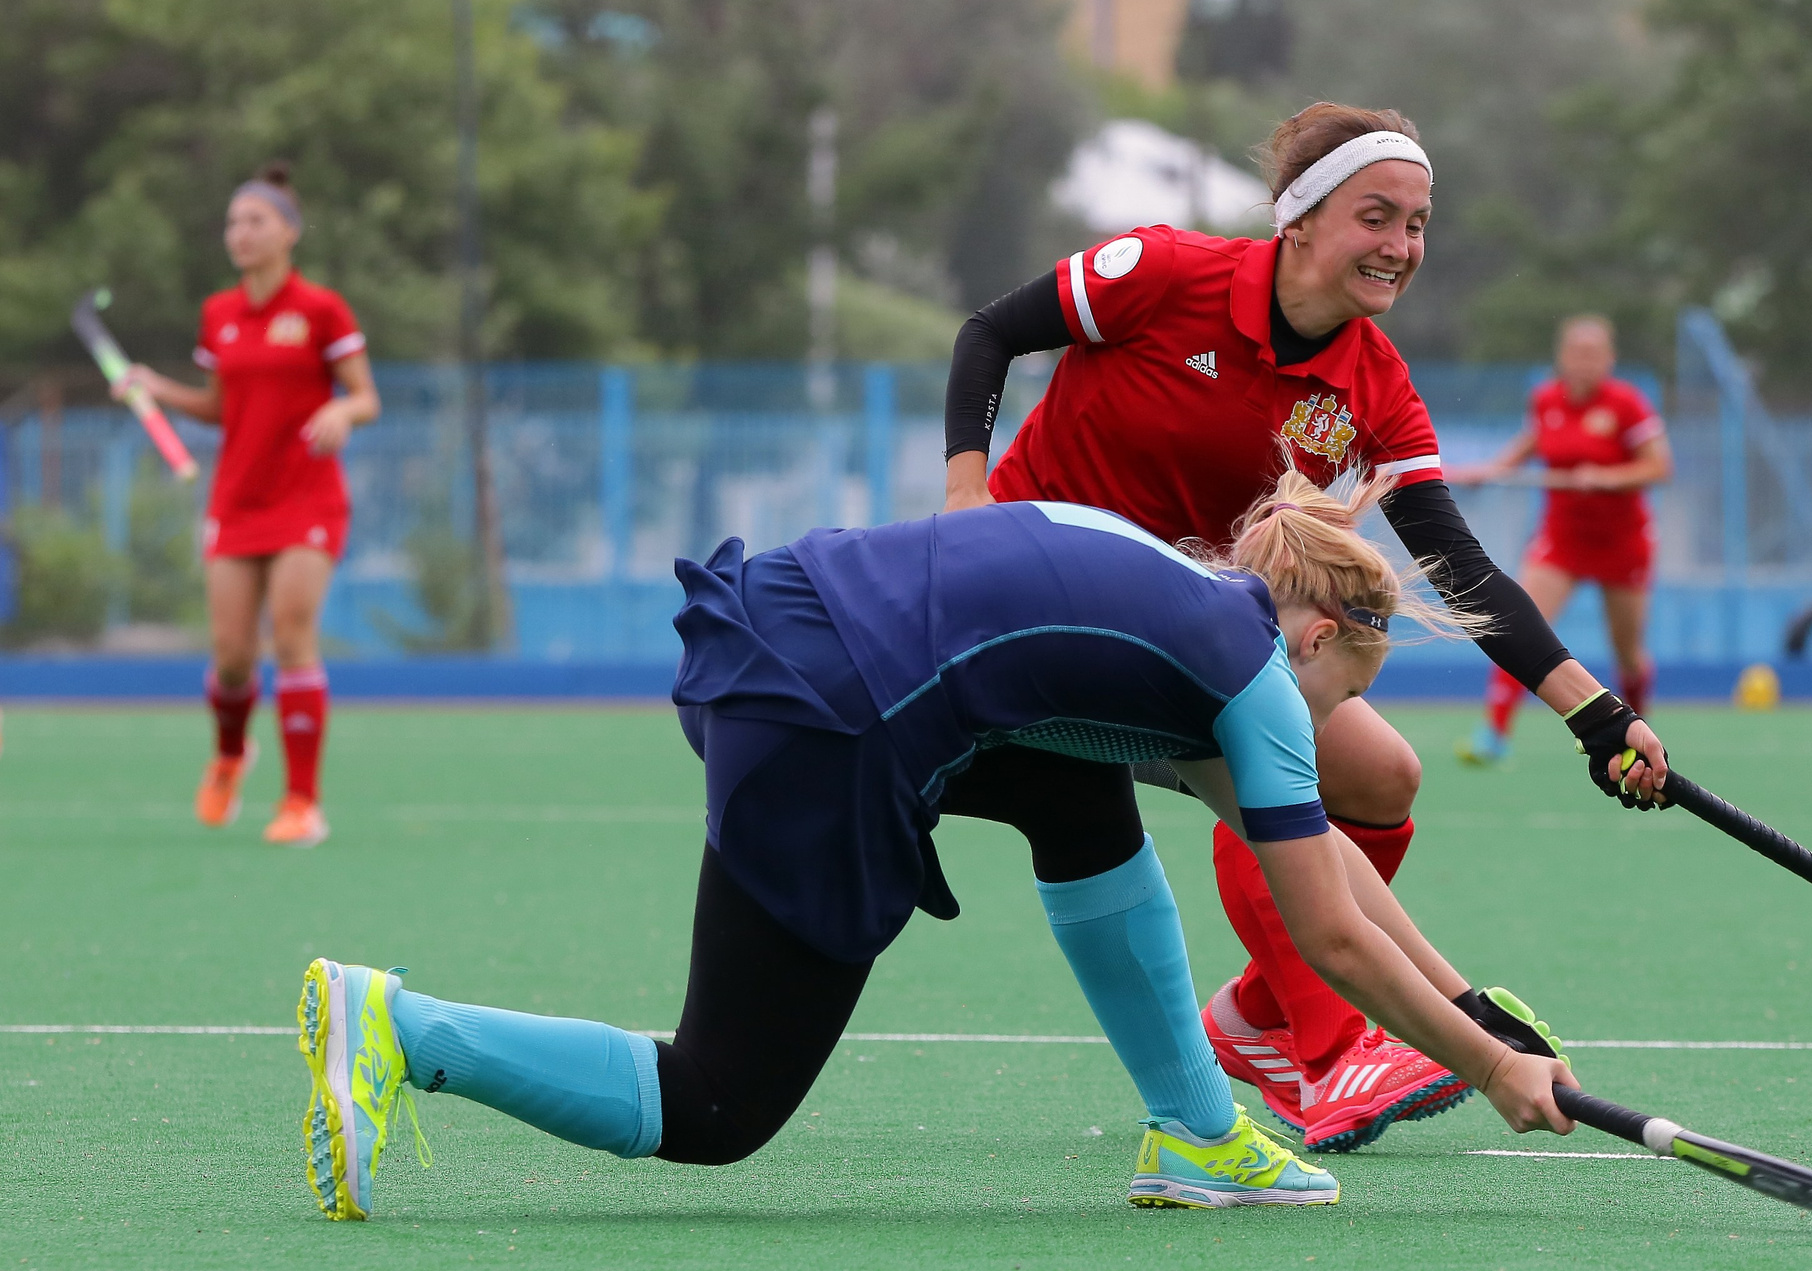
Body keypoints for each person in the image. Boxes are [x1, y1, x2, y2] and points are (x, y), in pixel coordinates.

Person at [296, 477, 1581, 1222]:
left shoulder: (1169, 585)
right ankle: (406, 1031)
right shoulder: (1251, 677)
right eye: (1341, 693)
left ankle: (1195, 1132)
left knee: (1076, 800)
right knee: (717, 1103)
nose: (1321, 725)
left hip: (790, 622)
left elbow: (1310, 859)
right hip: (839, 714)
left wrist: (1475, 1013)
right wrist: (1486, 1067)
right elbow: (1329, 932)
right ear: (1314, 638)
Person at [940, 102, 1668, 1154]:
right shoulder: (1162, 273)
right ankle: (1330, 1054)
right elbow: (990, 334)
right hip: (1042, 603)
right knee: (1263, 746)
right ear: (1299, 220)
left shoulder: (1375, 385)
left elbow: (1458, 567)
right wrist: (967, 506)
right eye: (1377, 217)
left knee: (1380, 779)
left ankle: (1258, 1020)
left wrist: (1595, 716)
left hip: (1194, 633)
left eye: (1416, 225)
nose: (1400, 247)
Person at [119, 163, 379, 845]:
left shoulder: (322, 309)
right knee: (232, 654)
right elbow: (220, 408)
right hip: (237, 497)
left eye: (255, 220)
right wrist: (155, 388)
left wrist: (342, 411)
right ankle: (232, 755)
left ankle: (301, 802)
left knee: (291, 633)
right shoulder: (219, 313)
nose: (240, 233)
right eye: (233, 222)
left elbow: (366, 396)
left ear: (288, 231)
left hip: (307, 496)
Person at [1448, 314, 1672, 765]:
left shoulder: (1627, 405)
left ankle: (1639, 731)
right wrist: (1495, 470)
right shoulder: (1547, 399)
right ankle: (1494, 733)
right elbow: (1534, 440)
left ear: (1610, 359)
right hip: (1562, 541)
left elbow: (1659, 467)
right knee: (1517, 626)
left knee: (1627, 654)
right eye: (1575, 353)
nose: (1583, 363)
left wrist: (1607, 477)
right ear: (1561, 358)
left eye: (1593, 354)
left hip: (1622, 544)